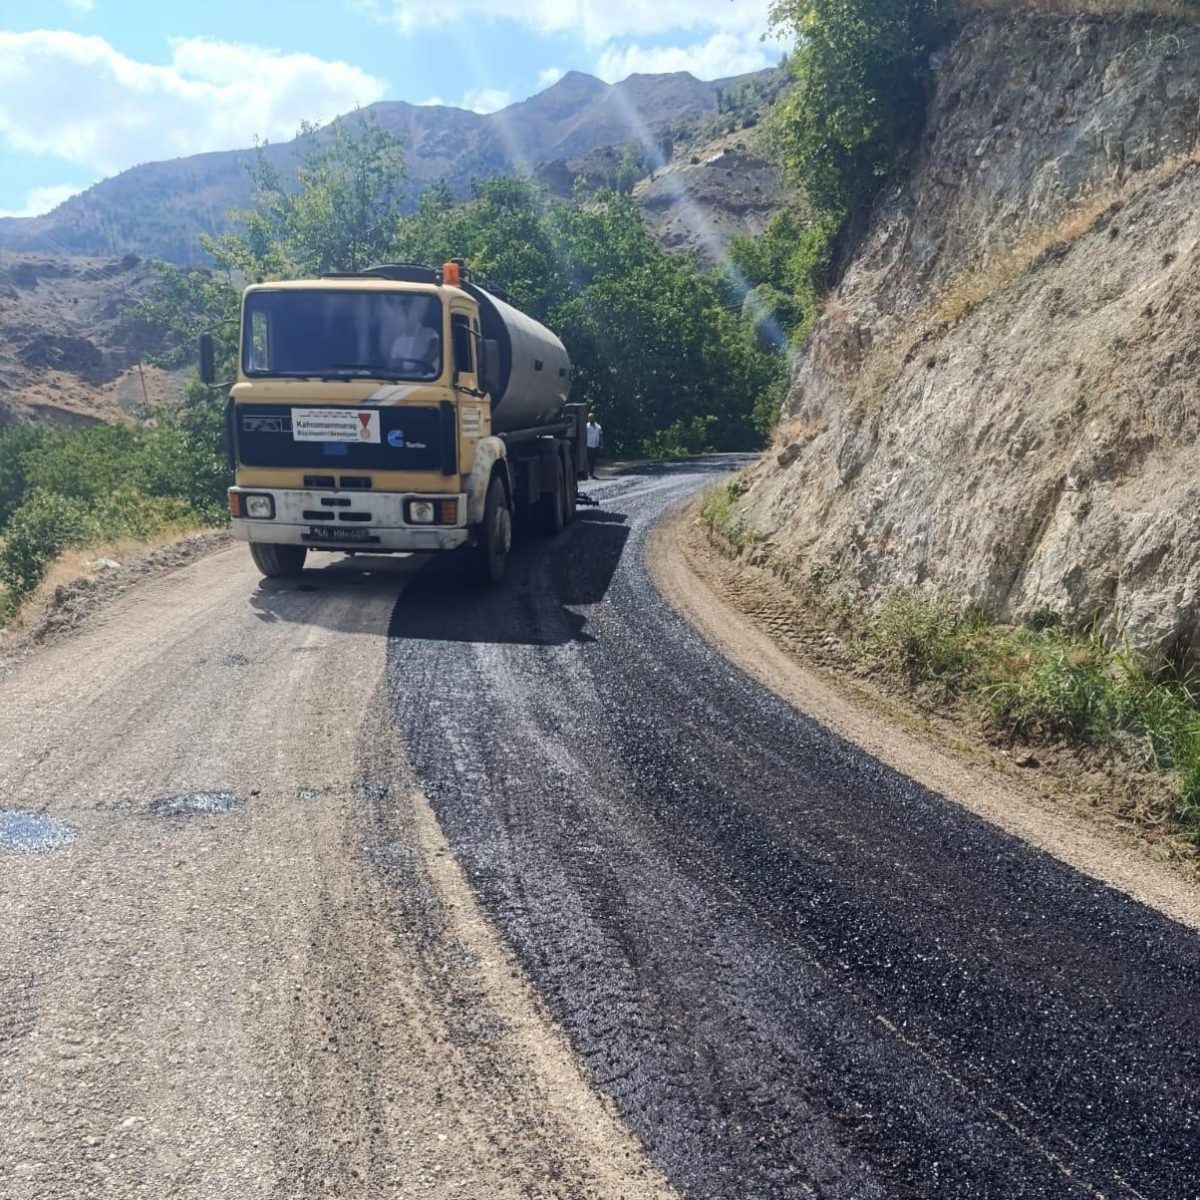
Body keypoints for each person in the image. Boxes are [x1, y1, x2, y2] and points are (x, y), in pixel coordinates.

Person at [384, 299, 440, 378]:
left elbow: (433, 352)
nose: (399, 320)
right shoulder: (398, 341)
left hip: (429, 379)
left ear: (413, 316)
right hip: (407, 381)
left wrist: (416, 370)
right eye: (398, 317)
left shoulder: (430, 333)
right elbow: (394, 364)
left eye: (402, 316)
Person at [585, 412, 603, 478]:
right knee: (589, 460)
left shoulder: (598, 426)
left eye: (592, 417)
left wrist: (601, 445)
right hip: (589, 445)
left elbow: (601, 436)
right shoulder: (586, 426)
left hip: (596, 445)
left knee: (594, 460)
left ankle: (591, 473)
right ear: (588, 419)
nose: (591, 419)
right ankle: (589, 473)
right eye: (590, 418)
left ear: (594, 418)